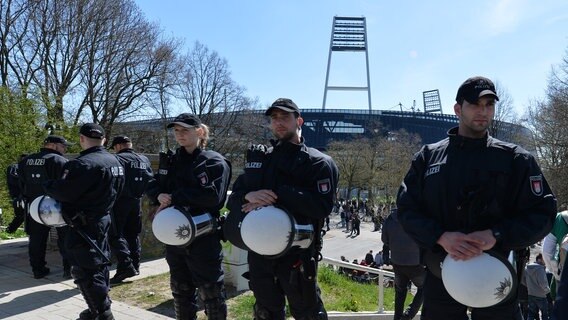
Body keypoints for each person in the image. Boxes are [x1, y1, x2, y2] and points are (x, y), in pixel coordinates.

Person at [396, 76, 557, 319]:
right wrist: (440, 236)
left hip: (500, 278)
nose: (483, 112)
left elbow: (543, 213)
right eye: (475, 104)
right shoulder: (428, 157)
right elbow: (407, 209)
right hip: (441, 276)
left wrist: (497, 235)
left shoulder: (516, 160)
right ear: (458, 109)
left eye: (489, 105)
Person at [226, 98, 339, 319]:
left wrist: (278, 193)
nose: (278, 122)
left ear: (299, 121)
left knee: (308, 313)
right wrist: (248, 195)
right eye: (274, 118)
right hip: (260, 253)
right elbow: (233, 198)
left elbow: (321, 207)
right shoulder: (260, 160)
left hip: (298, 255)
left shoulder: (318, 163)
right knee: (265, 313)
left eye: (284, 117)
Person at [146, 113, 232, 319]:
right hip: (174, 237)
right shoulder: (172, 161)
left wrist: (175, 197)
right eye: (176, 130)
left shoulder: (213, 161)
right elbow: (152, 183)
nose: (180, 134)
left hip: (203, 236)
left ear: (199, 132)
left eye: (185, 130)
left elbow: (213, 197)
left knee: (211, 291)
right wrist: (158, 194)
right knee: (180, 289)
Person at [44, 123, 125, 320]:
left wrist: (49, 185)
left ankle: (102, 312)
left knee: (85, 270)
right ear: (104, 140)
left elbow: (64, 192)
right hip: (103, 219)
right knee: (100, 264)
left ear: (81, 139)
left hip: (83, 225)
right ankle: (96, 307)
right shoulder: (115, 161)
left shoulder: (81, 164)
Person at [18, 136, 72, 279]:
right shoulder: (59, 161)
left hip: (34, 206)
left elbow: (21, 183)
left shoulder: (25, 161)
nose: (65, 149)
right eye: (63, 146)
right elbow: (66, 185)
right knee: (65, 238)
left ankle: (37, 269)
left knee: (36, 239)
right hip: (56, 206)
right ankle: (69, 269)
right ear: (54, 146)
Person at [108, 135, 153, 284]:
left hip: (120, 201)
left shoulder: (118, 159)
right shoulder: (144, 159)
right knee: (133, 234)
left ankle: (125, 266)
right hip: (137, 201)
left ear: (118, 146)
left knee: (115, 234)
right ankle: (135, 265)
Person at [382, 208, 425, 320]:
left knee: (400, 291)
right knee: (425, 287)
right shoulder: (419, 217)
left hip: (397, 262)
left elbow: (385, 240)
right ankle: (408, 315)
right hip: (416, 263)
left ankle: (397, 317)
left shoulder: (390, 219)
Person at [523, 253, 550, 320]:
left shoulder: (527, 268)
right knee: (545, 314)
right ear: (539, 259)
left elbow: (523, 280)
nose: (545, 262)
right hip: (541, 295)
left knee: (531, 314)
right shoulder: (540, 268)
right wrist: (548, 291)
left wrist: (529, 287)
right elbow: (543, 283)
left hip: (531, 294)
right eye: (544, 260)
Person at [5, 154, 28, 233]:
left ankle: (11, 229)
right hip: (19, 196)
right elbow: (14, 181)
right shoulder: (14, 168)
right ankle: (10, 229)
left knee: (22, 215)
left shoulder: (15, 168)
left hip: (21, 196)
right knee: (21, 215)